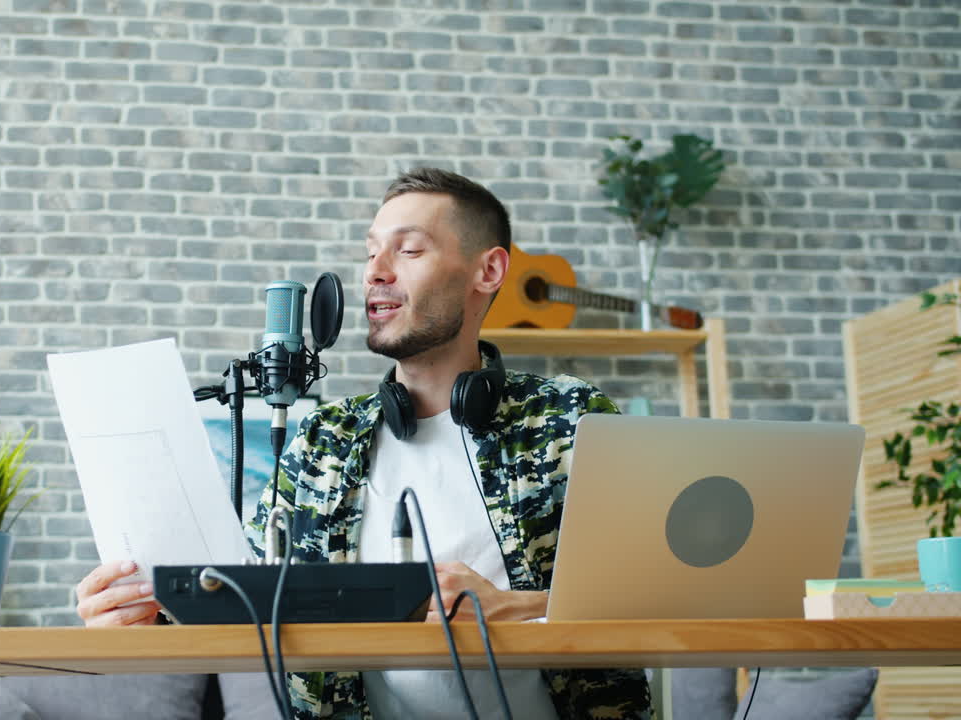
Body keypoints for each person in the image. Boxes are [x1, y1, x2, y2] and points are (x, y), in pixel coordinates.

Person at [76, 168, 653, 719]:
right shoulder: (322, 443)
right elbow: (242, 606)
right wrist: (140, 617)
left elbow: (661, 592)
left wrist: (520, 609)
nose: (375, 271)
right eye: (369, 252)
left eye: (407, 249)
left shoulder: (572, 420)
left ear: (489, 270)